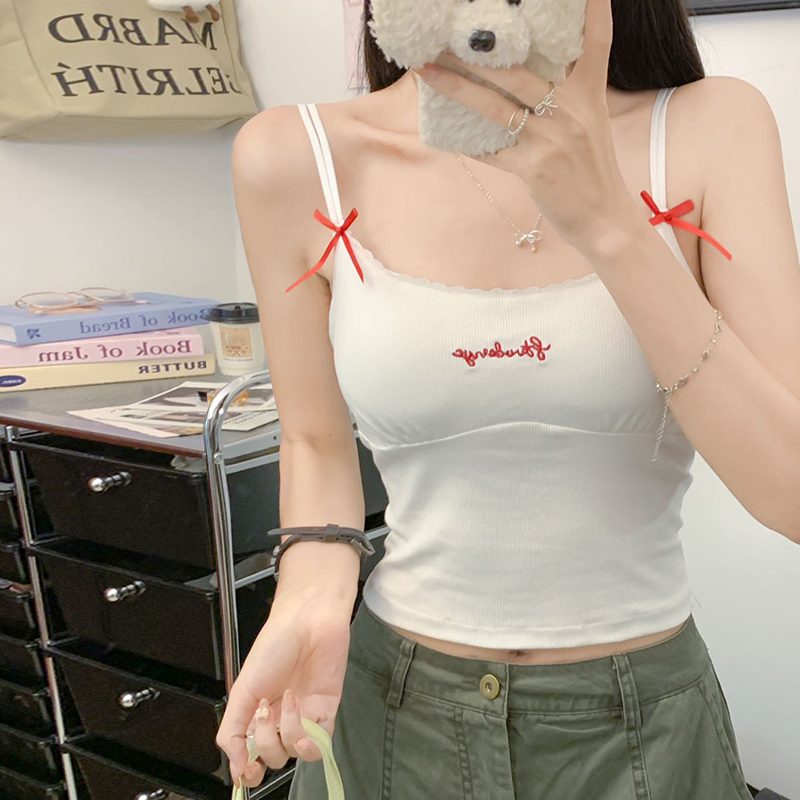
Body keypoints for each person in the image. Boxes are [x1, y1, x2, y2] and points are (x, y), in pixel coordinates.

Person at [216, 0, 800, 797]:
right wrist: (310, 596)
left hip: (641, 726)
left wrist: (608, 222)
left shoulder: (709, 128)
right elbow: (315, 440)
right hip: (390, 709)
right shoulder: (296, 155)